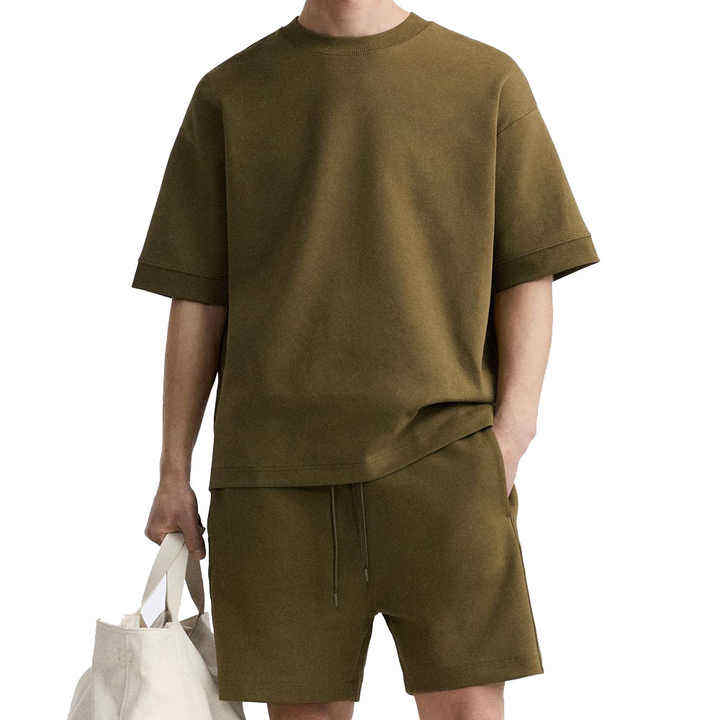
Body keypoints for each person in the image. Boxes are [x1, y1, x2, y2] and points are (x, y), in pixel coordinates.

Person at [134, 1, 598, 718]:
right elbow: (198, 297)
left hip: (444, 461)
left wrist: (512, 434)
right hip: (274, 482)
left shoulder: (486, 81)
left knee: (469, 711)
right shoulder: (230, 93)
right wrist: (173, 472)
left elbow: (527, 272)